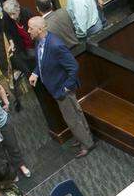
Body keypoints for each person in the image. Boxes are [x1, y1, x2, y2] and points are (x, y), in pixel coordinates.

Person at [28, 16, 94, 158]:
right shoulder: (40, 42)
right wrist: (35, 72)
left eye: (30, 28)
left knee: (73, 118)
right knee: (74, 115)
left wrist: (65, 88)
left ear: (39, 29)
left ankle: (87, 144)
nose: (28, 31)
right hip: (55, 88)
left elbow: (74, 67)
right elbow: (42, 61)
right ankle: (83, 137)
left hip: (63, 90)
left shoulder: (55, 45)